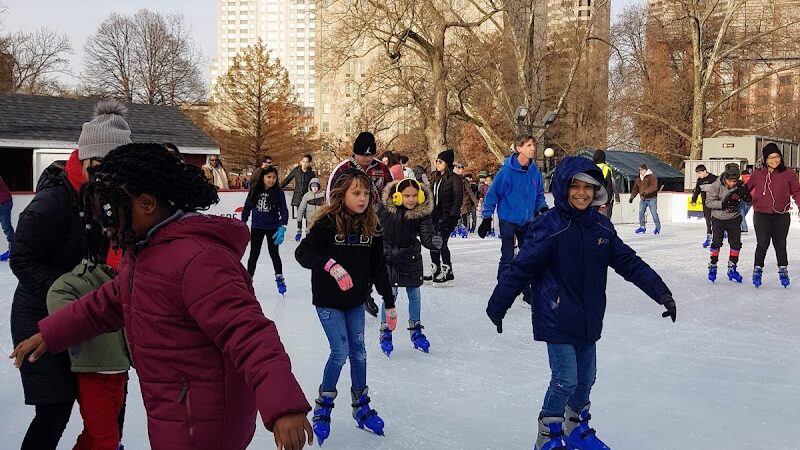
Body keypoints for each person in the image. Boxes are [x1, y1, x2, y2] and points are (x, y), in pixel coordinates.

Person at [11, 143, 313, 450]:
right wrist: (51, 332)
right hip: (173, 410)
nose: (106, 228)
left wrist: (283, 407)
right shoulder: (143, 250)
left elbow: (249, 335)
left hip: (206, 421)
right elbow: (109, 301)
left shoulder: (199, 260)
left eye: (111, 212)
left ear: (146, 204)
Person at [485, 156, 677, 450]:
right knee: (565, 380)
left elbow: (628, 263)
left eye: (588, 187)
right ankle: (548, 436)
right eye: (574, 186)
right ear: (563, 187)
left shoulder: (600, 226)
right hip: (555, 314)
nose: (581, 193)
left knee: (587, 378)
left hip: (588, 315)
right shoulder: (548, 225)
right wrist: (498, 306)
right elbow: (521, 267)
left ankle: (574, 426)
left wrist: (660, 291)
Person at [9, 99, 132, 450]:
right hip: (38, 316)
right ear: (86, 159)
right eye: (101, 165)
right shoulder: (53, 203)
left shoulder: (117, 200)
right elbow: (21, 258)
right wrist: (68, 297)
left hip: (95, 317)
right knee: (55, 409)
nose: (109, 175)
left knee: (111, 406)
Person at [295, 169, 394, 445]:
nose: (362, 199)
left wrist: (390, 302)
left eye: (366, 193)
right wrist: (331, 265)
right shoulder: (328, 222)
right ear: (342, 194)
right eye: (356, 193)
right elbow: (303, 253)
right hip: (328, 301)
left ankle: (360, 406)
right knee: (340, 352)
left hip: (354, 302)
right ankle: (323, 406)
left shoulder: (371, 224)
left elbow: (378, 267)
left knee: (359, 353)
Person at [46, 185, 131, 450]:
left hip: (119, 369)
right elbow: (59, 298)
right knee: (106, 438)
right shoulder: (82, 278)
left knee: (99, 435)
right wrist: (80, 323)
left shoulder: (127, 280)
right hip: (93, 371)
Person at [327, 131, 394, 316]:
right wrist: (335, 221)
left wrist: (390, 216)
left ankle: (366, 291)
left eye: (370, 154)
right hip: (348, 220)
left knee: (374, 258)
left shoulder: (381, 169)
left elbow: (391, 194)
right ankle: (350, 290)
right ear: (355, 153)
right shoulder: (343, 168)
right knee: (351, 257)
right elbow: (331, 196)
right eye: (363, 154)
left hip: (374, 221)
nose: (367, 158)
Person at [478, 134, 548, 304]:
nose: (533, 148)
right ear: (519, 149)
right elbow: (493, 195)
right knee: (508, 257)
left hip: (528, 221)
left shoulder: (535, 172)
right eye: (529, 145)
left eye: (533, 145)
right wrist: (487, 218)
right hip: (508, 219)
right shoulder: (506, 172)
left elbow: (539, 195)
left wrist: (543, 208)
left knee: (527, 257)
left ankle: (527, 290)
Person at [377, 178, 442, 356]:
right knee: (391, 295)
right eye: (407, 196)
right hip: (389, 258)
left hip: (411, 258)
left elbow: (426, 233)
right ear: (397, 196)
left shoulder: (422, 213)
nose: (411, 199)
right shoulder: (385, 209)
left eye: (414, 196)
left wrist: (433, 242)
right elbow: (375, 230)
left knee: (415, 294)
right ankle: (386, 330)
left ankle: (416, 329)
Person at [745, 143, 800, 288]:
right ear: (765, 159)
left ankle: (783, 270)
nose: (774, 160)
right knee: (762, 243)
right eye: (770, 158)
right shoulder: (758, 174)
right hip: (761, 214)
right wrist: (731, 198)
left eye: (776, 157)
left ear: (780, 157)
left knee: (780, 244)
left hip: (782, 215)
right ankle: (757, 269)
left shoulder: (789, 173)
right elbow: (745, 190)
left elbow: (797, 192)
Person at [242, 166, 289, 295]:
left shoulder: (278, 191)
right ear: (263, 177)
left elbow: (284, 210)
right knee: (254, 254)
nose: (271, 180)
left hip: (272, 227)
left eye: (274, 177)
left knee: (274, 254)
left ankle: (279, 278)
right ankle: (248, 280)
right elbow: (247, 207)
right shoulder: (255, 190)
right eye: (268, 177)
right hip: (257, 227)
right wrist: (243, 223)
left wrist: (282, 227)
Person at [703, 163, 752, 283]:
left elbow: (749, 201)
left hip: (734, 219)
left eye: (734, 181)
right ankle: (713, 266)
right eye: (729, 181)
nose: (732, 184)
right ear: (724, 178)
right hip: (718, 219)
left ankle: (732, 268)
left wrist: (746, 196)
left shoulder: (740, 186)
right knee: (716, 243)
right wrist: (723, 204)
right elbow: (708, 202)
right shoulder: (716, 185)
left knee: (735, 244)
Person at [428, 149, 463, 286]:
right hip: (434, 215)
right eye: (436, 161)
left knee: (441, 242)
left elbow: (457, 199)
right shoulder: (435, 177)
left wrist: (452, 216)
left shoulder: (455, 178)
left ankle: (448, 271)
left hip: (447, 216)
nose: (437, 163)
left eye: (440, 161)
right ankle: (435, 268)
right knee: (433, 242)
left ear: (447, 163)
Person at [690, 164, 718, 247]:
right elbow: (697, 191)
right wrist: (694, 200)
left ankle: (722, 232)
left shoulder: (714, 178)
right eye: (698, 174)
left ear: (705, 171)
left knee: (716, 219)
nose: (699, 175)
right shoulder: (699, 180)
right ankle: (709, 235)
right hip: (705, 203)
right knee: (708, 220)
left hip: (715, 202)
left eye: (700, 173)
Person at [281, 154, 317, 219]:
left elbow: (315, 185)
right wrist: (278, 187)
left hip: (307, 197)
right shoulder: (296, 171)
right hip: (298, 196)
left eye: (306, 162)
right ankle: (299, 228)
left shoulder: (311, 174)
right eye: (303, 161)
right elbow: (287, 180)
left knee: (307, 216)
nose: (304, 164)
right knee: (299, 216)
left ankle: (307, 228)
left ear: (309, 163)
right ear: (301, 162)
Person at [629, 163, 661, 234]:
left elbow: (654, 187)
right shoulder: (638, 179)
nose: (640, 171)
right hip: (643, 199)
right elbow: (635, 189)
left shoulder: (651, 177)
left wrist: (645, 192)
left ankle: (658, 227)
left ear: (645, 170)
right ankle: (642, 227)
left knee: (654, 214)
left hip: (652, 199)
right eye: (639, 170)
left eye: (642, 170)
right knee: (641, 213)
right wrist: (632, 197)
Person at [592, 150, 620, 219]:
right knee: (605, 222)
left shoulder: (591, 168)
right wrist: (615, 197)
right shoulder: (606, 169)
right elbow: (611, 185)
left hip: (593, 200)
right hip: (605, 200)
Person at [295, 177, 325, 241]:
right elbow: (301, 209)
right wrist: (299, 229)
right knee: (309, 239)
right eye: (312, 186)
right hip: (309, 222)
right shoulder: (306, 196)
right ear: (310, 186)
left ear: (319, 186)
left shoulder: (323, 195)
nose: (314, 188)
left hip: (320, 221)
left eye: (316, 186)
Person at [454, 163, 478, 237]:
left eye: (462, 168)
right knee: (455, 216)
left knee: (464, 216)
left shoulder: (464, 181)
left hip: (464, 202)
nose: (460, 170)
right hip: (454, 201)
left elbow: (470, 192)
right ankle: (455, 228)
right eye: (459, 168)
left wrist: (476, 202)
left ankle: (464, 229)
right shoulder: (451, 179)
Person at [0, 174, 13, 261]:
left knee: (6, 227)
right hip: (4, 201)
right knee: (6, 227)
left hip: (4, 202)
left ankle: (13, 250)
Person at [739, 168, 752, 233]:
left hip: (744, 198)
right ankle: (742, 225)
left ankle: (744, 228)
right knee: (744, 213)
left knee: (741, 213)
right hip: (752, 199)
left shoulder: (742, 178)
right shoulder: (753, 178)